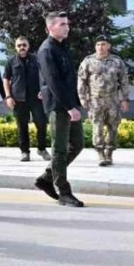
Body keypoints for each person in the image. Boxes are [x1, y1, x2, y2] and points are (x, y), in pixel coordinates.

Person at [33, 12, 85, 207]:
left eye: (67, 24)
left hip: (69, 102)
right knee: (60, 150)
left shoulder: (62, 47)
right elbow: (53, 80)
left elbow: (57, 79)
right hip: (60, 106)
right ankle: (63, 191)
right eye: (62, 24)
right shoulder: (46, 49)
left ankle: (47, 177)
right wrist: (70, 107)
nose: (67, 27)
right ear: (51, 27)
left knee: (77, 144)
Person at [78, 37, 128, 166]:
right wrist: (82, 97)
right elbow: (82, 80)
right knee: (97, 126)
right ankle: (100, 152)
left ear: (108, 46)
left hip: (113, 99)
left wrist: (124, 99)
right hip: (95, 100)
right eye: (98, 44)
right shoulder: (88, 61)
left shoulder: (117, 61)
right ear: (95, 46)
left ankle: (109, 152)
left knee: (113, 126)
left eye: (103, 44)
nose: (100, 47)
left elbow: (123, 81)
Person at [3, 37, 51, 163]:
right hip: (18, 99)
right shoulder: (11, 61)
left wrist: (44, 90)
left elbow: (45, 75)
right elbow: (6, 79)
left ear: (28, 46)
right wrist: (8, 96)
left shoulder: (37, 60)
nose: (21, 47)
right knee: (22, 126)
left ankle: (42, 148)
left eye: (24, 45)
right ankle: (25, 152)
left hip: (36, 98)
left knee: (41, 124)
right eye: (19, 45)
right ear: (16, 47)